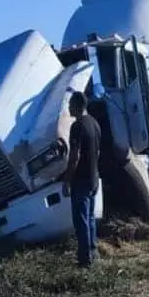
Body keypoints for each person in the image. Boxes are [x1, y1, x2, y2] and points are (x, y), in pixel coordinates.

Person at [63, 91, 102, 267]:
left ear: (78, 105)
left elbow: (75, 156)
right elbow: (97, 152)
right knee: (90, 218)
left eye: (70, 105)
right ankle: (93, 252)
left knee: (81, 221)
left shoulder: (77, 126)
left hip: (81, 180)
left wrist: (67, 179)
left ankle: (85, 260)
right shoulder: (95, 123)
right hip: (94, 178)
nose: (68, 108)